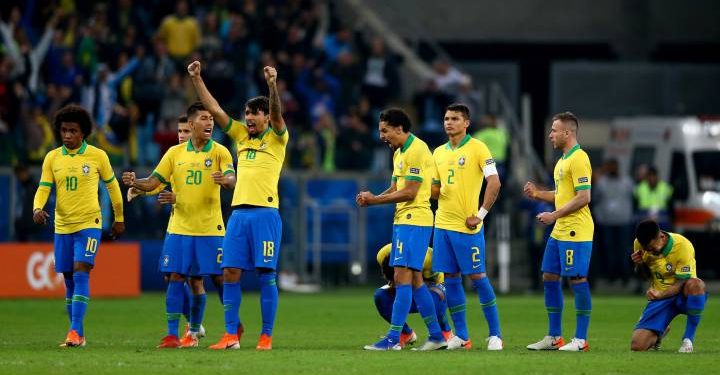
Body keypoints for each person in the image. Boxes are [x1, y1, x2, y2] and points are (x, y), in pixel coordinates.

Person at [188, 61, 287, 351]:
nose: (248, 118)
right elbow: (216, 111)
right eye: (246, 113)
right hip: (239, 215)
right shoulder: (242, 137)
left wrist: (271, 85)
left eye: (254, 114)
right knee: (229, 272)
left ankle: (266, 336)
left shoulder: (278, 137)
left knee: (266, 274)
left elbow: (278, 114)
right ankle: (231, 335)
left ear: (266, 118)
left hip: (266, 214)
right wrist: (196, 79)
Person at [122, 102, 236, 348]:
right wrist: (136, 182)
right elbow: (154, 182)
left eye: (211, 119)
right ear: (192, 124)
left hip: (210, 228)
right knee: (175, 276)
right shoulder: (174, 153)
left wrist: (226, 180)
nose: (210, 122)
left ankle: (231, 328)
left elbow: (231, 176)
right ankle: (174, 334)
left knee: (218, 278)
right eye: (204, 119)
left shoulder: (220, 151)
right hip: (179, 228)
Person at [32, 104, 125, 347]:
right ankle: (79, 335)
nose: (67, 135)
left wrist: (119, 218)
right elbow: (44, 187)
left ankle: (73, 331)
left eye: (73, 131)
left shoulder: (97, 156)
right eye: (64, 130)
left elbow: (113, 187)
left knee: (82, 268)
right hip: (62, 226)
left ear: (83, 132)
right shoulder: (52, 158)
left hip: (89, 223)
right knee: (69, 278)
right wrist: (37, 208)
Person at [356, 108, 447, 351]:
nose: (382, 136)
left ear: (399, 128)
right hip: (404, 219)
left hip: (415, 218)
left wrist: (375, 201)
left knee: (401, 276)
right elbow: (396, 186)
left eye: (385, 131)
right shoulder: (399, 153)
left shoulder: (417, 149)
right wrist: (374, 197)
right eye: (380, 131)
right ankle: (437, 337)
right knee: (416, 280)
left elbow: (410, 192)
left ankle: (393, 338)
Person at [430, 103, 503, 351]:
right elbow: (436, 189)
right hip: (441, 225)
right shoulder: (438, 152)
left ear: (466, 123)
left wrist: (481, 214)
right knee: (450, 278)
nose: (449, 122)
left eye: (455, 118)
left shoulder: (478, 148)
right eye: (446, 118)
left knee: (478, 277)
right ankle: (461, 336)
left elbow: (494, 182)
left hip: (466, 226)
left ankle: (495, 335)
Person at [524, 111, 593, 352]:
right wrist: (538, 194)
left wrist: (553, 215)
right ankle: (554, 336)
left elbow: (584, 197)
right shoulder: (562, 160)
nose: (550, 134)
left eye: (554, 130)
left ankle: (580, 339)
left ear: (567, 132)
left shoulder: (579, 158)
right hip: (560, 229)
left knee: (577, 279)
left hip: (576, 230)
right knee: (549, 276)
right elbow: (561, 195)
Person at [630, 219, 707, 353]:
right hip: (661, 299)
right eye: (647, 249)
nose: (651, 252)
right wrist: (640, 264)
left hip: (683, 294)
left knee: (696, 284)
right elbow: (645, 277)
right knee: (637, 346)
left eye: (652, 248)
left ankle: (688, 339)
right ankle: (661, 331)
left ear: (661, 236)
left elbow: (681, 282)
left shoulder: (682, 245)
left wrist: (660, 294)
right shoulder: (639, 243)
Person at [373, 243, 453, 348]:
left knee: (436, 296)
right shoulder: (382, 255)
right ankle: (405, 333)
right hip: (408, 284)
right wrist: (395, 283)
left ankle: (445, 331)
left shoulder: (427, 258)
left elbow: (441, 281)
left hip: (431, 282)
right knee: (381, 296)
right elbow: (391, 277)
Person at [594, 159, 634, 284]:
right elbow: (595, 199)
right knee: (609, 250)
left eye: (613, 167)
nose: (612, 169)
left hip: (623, 221)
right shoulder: (601, 182)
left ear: (617, 167)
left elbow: (634, 197)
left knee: (624, 250)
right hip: (606, 222)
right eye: (609, 167)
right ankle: (611, 276)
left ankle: (625, 276)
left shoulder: (627, 182)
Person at [634, 166, 673, 230]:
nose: (652, 178)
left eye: (653, 175)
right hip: (645, 223)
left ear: (657, 176)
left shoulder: (666, 188)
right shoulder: (639, 188)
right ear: (646, 177)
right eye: (649, 175)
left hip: (662, 222)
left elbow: (671, 205)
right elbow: (635, 205)